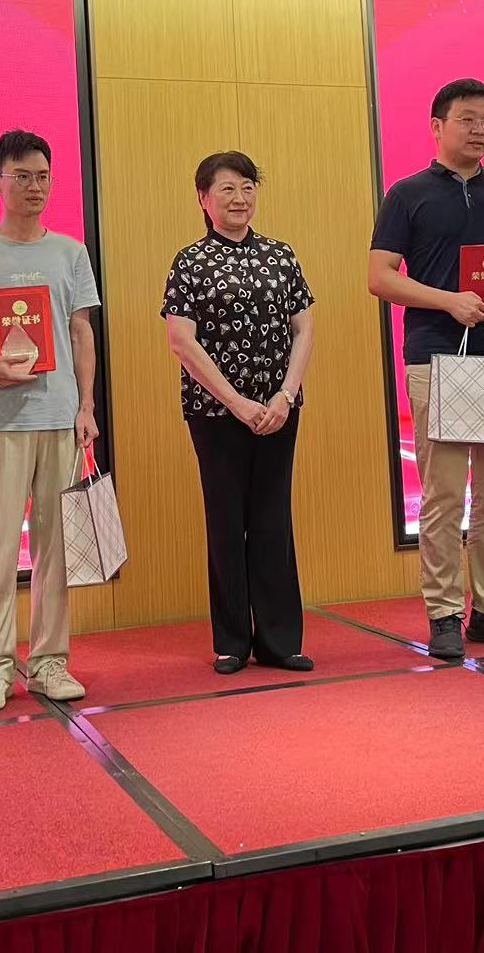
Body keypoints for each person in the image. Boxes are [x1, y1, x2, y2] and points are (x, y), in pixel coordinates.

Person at [368, 78, 484, 661]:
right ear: (437, 126)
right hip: (436, 355)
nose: (480, 129)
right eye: (468, 119)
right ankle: (444, 613)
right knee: (444, 496)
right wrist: (447, 301)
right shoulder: (408, 194)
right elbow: (380, 277)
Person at [0, 130, 102, 714]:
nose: (35, 187)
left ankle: (51, 661)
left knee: (56, 549)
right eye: (22, 177)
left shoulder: (70, 253)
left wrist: (86, 405)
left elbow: (80, 330)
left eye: (43, 177)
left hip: (59, 418)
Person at [164, 152, 317, 674]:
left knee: (273, 520)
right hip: (215, 413)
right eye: (226, 189)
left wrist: (285, 395)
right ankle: (231, 641)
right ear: (203, 199)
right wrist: (238, 403)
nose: (239, 198)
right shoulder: (190, 261)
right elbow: (181, 340)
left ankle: (280, 641)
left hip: (279, 410)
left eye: (247, 187)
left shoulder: (281, 254)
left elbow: (304, 328)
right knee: (226, 521)